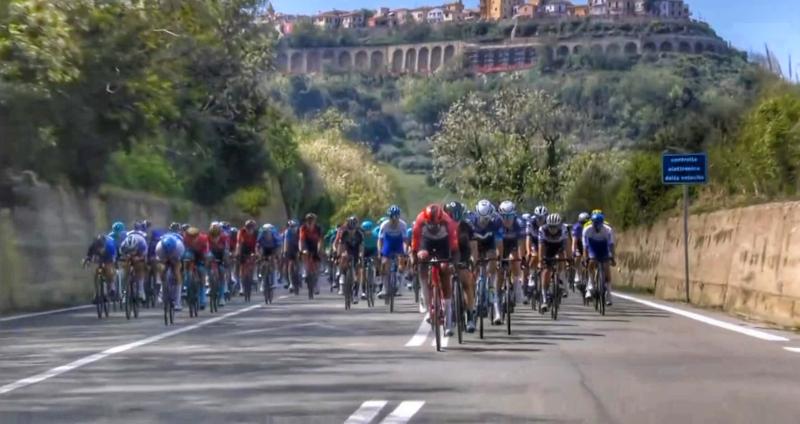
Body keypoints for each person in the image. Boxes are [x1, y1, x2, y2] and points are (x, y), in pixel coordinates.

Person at [411, 204, 459, 336]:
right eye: (429, 223)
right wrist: (415, 260)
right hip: (426, 242)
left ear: (440, 220)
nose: (432, 225)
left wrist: (452, 264)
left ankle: (448, 317)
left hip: (443, 244)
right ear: (425, 219)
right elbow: (415, 246)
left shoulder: (448, 223)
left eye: (435, 223)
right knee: (422, 261)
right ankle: (427, 301)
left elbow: (454, 249)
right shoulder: (420, 221)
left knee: (444, 269)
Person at [444, 201, 478, 333]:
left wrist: (473, 261)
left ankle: (470, 316)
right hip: (447, 253)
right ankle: (448, 315)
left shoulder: (467, 226)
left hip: (463, 252)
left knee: (466, 282)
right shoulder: (442, 226)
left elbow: (473, 246)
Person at [471, 199, 502, 320]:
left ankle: (492, 292)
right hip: (476, 244)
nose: (484, 222)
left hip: (490, 244)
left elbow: (499, 242)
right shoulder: (471, 220)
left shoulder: (496, 221)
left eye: (486, 219)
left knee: (492, 263)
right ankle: (473, 296)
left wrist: (498, 257)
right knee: (473, 267)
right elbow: (470, 244)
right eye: (481, 219)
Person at [496, 200, 526, 325]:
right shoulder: (497, 224)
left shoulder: (519, 223)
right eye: (504, 216)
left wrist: (521, 258)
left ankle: (517, 286)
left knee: (515, 260)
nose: (507, 219)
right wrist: (499, 259)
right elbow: (497, 245)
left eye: (510, 216)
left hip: (513, 244)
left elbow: (521, 244)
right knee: (499, 267)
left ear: (514, 215)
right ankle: (497, 293)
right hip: (500, 244)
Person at [583, 212, 616, 306]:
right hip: (593, 246)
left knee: (606, 267)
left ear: (602, 222)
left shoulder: (608, 230)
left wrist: (612, 257)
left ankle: (609, 294)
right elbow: (585, 246)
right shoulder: (587, 229)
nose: (596, 225)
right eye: (594, 222)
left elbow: (611, 245)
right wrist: (586, 259)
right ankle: (591, 284)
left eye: (598, 222)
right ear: (592, 222)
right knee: (591, 262)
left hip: (604, 247)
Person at [538, 213, 569, 311]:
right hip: (547, 247)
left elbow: (567, 245)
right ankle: (544, 298)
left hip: (559, 246)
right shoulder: (542, 229)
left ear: (559, 225)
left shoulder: (564, 229)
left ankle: (561, 277)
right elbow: (541, 247)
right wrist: (540, 260)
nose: (553, 229)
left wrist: (570, 258)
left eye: (555, 227)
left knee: (562, 256)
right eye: (551, 227)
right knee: (546, 270)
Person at [378, 205, 408, 299]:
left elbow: (405, 241)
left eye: (396, 217)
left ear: (399, 216)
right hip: (388, 242)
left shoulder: (403, 225)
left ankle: (399, 280)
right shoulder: (384, 225)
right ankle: (385, 288)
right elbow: (380, 240)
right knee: (384, 263)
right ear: (389, 217)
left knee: (401, 261)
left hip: (398, 242)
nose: (394, 219)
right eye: (392, 217)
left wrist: (405, 252)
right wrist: (380, 252)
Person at [334, 216, 364, 302]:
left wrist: (360, 256)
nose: (351, 231)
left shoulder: (359, 234)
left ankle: (356, 292)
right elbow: (341, 245)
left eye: (353, 229)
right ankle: (343, 276)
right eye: (350, 229)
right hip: (347, 248)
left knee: (359, 268)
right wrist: (339, 255)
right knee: (343, 257)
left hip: (356, 249)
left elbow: (361, 247)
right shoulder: (344, 233)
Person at [155, 232, 185, 310]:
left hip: (176, 256)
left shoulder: (179, 247)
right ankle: (162, 291)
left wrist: (174, 261)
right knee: (162, 270)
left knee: (176, 271)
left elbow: (179, 260)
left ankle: (178, 302)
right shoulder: (159, 248)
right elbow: (159, 261)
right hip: (163, 256)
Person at [83, 234, 117, 301]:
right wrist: (87, 262)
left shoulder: (110, 246)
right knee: (96, 271)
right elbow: (88, 256)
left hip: (109, 255)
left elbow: (113, 259)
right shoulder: (93, 245)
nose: (101, 250)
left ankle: (112, 285)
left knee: (108, 269)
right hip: (99, 257)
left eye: (102, 248)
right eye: (99, 249)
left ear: (104, 246)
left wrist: (111, 264)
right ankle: (97, 293)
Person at [183, 226, 210, 309]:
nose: (192, 238)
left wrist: (205, 262)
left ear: (198, 236)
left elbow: (206, 252)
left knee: (202, 274)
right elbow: (183, 250)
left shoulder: (204, 239)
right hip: (190, 253)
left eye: (194, 237)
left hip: (201, 254)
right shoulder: (185, 239)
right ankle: (187, 287)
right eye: (190, 236)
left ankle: (202, 300)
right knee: (186, 260)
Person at [119, 230, 149, 301]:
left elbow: (144, 257)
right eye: (130, 249)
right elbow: (121, 256)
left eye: (133, 249)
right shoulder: (123, 245)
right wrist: (125, 258)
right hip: (127, 254)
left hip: (139, 254)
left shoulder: (142, 243)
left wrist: (139, 258)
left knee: (140, 266)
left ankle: (141, 291)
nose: (132, 251)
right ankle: (125, 292)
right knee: (124, 268)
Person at [299, 213, 323, 294]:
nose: (310, 221)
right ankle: (305, 270)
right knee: (304, 254)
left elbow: (320, 240)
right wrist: (301, 250)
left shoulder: (318, 228)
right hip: (306, 244)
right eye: (308, 220)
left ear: (314, 221)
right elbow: (301, 240)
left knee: (317, 264)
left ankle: (316, 284)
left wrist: (319, 249)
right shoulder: (303, 228)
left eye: (311, 220)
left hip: (315, 244)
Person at [208, 222, 230, 306]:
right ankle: (209, 285)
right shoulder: (207, 237)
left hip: (221, 255)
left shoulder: (224, 237)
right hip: (211, 255)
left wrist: (226, 260)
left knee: (221, 272)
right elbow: (206, 248)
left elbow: (226, 250)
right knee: (209, 271)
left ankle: (221, 297)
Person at [236, 220, 259, 296]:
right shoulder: (241, 232)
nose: (249, 229)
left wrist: (257, 253)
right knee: (242, 267)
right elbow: (238, 243)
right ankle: (242, 287)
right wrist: (237, 253)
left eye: (251, 228)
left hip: (253, 247)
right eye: (248, 228)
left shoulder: (256, 233)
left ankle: (254, 275)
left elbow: (257, 244)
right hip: (244, 247)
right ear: (245, 227)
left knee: (255, 259)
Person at [257, 223, 281, 291]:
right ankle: (262, 281)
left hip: (273, 248)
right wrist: (258, 255)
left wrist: (277, 255)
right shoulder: (261, 235)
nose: (267, 233)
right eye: (265, 232)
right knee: (261, 261)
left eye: (268, 232)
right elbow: (257, 245)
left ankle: (274, 281)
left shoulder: (275, 235)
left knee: (273, 261)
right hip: (264, 248)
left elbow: (279, 246)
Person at [361, 219, 380, 299]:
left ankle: (377, 276)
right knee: (363, 269)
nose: (366, 232)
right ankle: (363, 290)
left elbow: (379, 246)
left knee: (377, 260)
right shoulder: (361, 236)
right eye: (364, 230)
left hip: (373, 250)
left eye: (368, 230)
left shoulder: (375, 235)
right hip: (364, 250)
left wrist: (379, 254)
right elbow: (360, 248)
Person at [572, 212, 591, 290]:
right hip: (579, 244)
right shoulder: (577, 227)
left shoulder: (590, 226)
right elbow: (574, 242)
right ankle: (577, 273)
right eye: (582, 223)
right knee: (578, 256)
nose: (584, 224)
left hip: (588, 244)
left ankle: (590, 277)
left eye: (585, 223)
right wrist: (573, 252)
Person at [283, 220, 300, 290]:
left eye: (294, 226)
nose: (292, 228)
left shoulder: (299, 231)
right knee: (290, 264)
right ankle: (291, 283)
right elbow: (286, 242)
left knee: (298, 262)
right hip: (290, 247)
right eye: (291, 226)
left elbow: (302, 240)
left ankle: (299, 274)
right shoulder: (287, 232)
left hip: (298, 247)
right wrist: (285, 251)